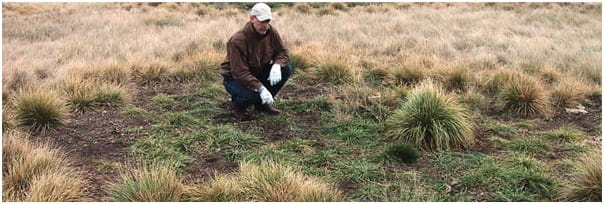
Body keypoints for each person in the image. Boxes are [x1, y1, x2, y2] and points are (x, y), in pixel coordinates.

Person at [219, 3, 292, 116]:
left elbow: (283, 52)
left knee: (286, 69)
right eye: (262, 21)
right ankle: (238, 104)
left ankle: (262, 105)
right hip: (235, 79)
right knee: (253, 96)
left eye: (268, 21)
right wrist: (261, 88)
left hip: (257, 73)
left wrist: (277, 65)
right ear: (252, 19)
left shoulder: (271, 32)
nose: (266, 25)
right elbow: (239, 73)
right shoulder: (238, 41)